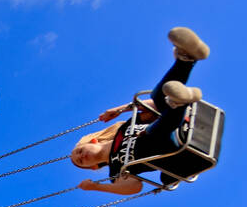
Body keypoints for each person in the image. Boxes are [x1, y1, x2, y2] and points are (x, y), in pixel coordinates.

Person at [70, 27, 210, 194]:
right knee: (150, 136)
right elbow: (133, 187)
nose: (81, 156)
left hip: (176, 127)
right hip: (167, 148)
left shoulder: (124, 129)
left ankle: (186, 59)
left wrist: (120, 109)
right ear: (93, 167)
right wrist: (96, 187)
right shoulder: (116, 169)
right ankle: (178, 103)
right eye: (80, 161)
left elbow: (152, 106)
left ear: (93, 141)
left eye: (79, 151)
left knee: (158, 96)